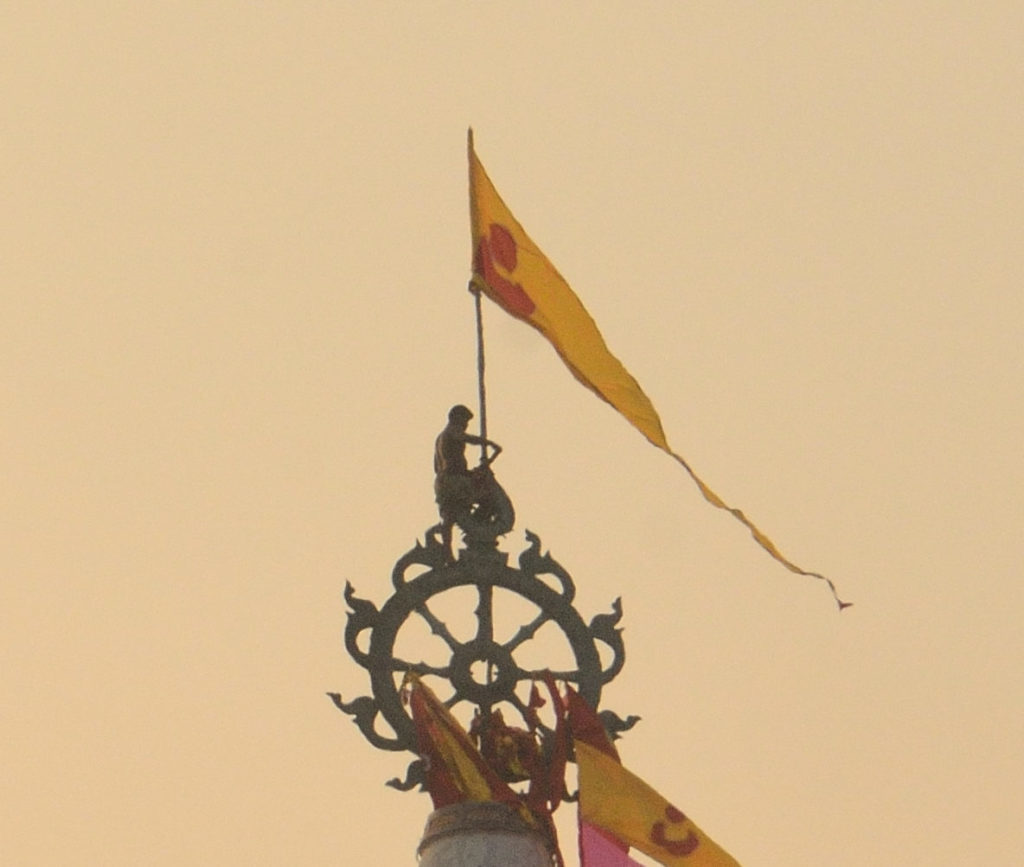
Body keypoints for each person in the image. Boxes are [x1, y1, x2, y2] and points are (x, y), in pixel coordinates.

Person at [433, 405, 502, 554]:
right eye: (464, 421)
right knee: (488, 498)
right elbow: (465, 438)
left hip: (445, 480)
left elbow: (435, 465)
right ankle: (479, 532)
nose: (465, 425)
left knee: (449, 519)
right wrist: (487, 443)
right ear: (456, 419)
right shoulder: (451, 431)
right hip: (455, 479)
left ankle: (448, 550)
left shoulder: (440, 437)